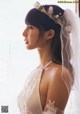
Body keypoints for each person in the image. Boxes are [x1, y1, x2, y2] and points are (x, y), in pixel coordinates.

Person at [17, 2, 80, 114]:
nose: (24, 33)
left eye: (30, 27)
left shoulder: (59, 74)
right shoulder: (37, 71)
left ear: (49, 34)